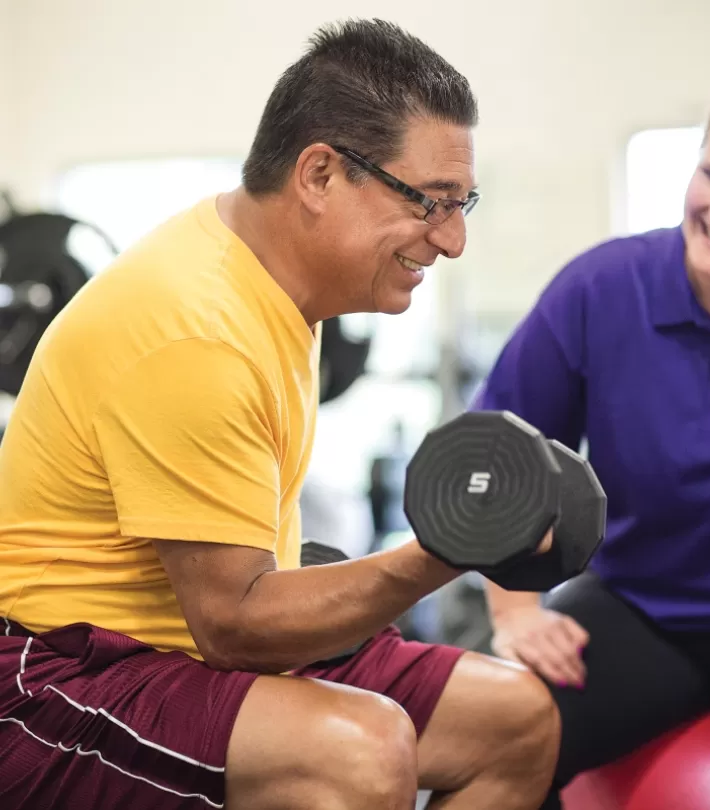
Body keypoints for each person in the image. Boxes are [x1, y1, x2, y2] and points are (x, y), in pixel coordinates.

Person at [0, 19, 560, 810]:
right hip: (63, 674)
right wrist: (444, 551)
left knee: (514, 717)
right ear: (320, 175)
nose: (454, 239)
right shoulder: (196, 328)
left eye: (461, 203)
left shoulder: (279, 285)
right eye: (430, 204)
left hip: (189, 650)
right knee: (357, 753)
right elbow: (234, 623)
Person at [472, 27, 710, 810]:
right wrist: (514, 610)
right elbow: (497, 454)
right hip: (636, 608)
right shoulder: (601, 290)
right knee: (487, 735)